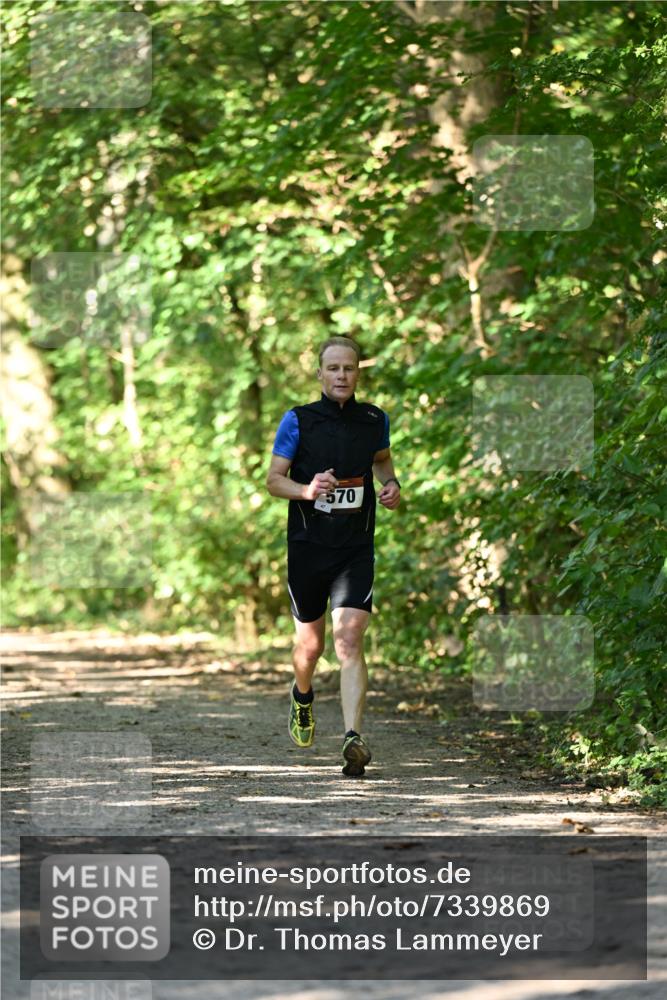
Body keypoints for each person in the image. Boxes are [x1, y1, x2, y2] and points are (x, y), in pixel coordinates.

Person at [266, 336, 401, 776]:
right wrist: (306, 490)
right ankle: (302, 696)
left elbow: (382, 462)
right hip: (308, 547)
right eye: (334, 369)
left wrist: (392, 484)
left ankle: (352, 738)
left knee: (349, 638)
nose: (342, 375)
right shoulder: (298, 420)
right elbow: (273, 481)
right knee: (311, 646)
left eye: (350, 368)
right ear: (320, 374)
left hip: (354, 548)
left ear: (358, 372)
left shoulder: (373, 419)